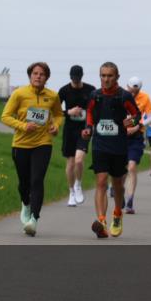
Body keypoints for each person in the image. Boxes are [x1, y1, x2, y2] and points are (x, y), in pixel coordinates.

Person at [0, 62, 64, 236]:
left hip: (43, 143)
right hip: (21, 144)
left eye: (42, 74)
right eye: (35, 73)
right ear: (30, 75)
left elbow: (59, 114)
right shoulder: (19, 94)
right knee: (24, 182)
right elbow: (5, 116)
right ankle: (26, 204)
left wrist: (56, 126)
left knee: (37, 180)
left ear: (47, 77)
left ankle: (34, 219)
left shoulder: (52, 96)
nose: (38, 76)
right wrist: (22, 125)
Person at [82, 62, 141, 238]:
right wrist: (88, 129)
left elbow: (137, 116)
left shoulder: (124, 96)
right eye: (103, 75)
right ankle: (101, 222)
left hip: (118, 145)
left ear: (117, 77)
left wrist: (130, 122)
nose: (106, 79)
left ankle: (117, 213)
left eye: (110, 76)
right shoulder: (95, 95)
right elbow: (90, 115)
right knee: (100, 181)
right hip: (100, 144)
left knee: (117, 184)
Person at [58, 65, 95, 206]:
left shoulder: (90, 90)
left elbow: (95, 109)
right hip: (69, 130)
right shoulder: (64, 90)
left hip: (84, 130)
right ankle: (71, 192)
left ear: (82, 76)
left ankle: (78, 185)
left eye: (78, 78)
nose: (76, 81)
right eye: (74, 79)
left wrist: (91, 125)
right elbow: (55, 111)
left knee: (79, 160)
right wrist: (69, 112)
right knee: (71, 161)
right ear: (70, 77)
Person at [123, 77, 151, 214]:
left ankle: (130, 200)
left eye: (136, 91)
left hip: (136, 135)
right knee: (120, 169)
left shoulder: (145, 98)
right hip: (121, 135)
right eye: (131, 91)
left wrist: (138, 126)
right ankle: (118, 188)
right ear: (127, 87)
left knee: (132, 166)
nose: (133, 94)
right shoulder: (121, 95)